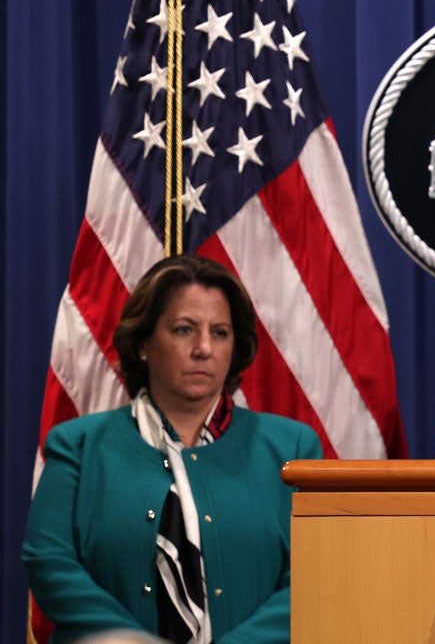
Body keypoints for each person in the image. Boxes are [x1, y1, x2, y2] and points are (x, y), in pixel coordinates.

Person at [24, 255, 323, 644]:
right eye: (185, 329)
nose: (204, 348)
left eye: (220, 333)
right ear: (143, 343)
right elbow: (49, 562)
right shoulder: (78, 446)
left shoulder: (292, 449)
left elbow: (314, 575)